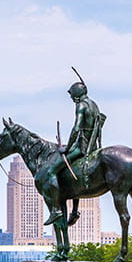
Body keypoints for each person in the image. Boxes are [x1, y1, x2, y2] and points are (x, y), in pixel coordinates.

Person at [42, 80, 106, 225]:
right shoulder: (93, 104)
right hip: (93, 145)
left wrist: (67, 147)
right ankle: (75, 210)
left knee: (51, 171)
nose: (71, 98)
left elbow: (77, 128)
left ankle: (56, 210)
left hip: (81, 147)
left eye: (72, 95)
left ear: (77, 93)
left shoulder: (81, 106)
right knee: (73, 173)